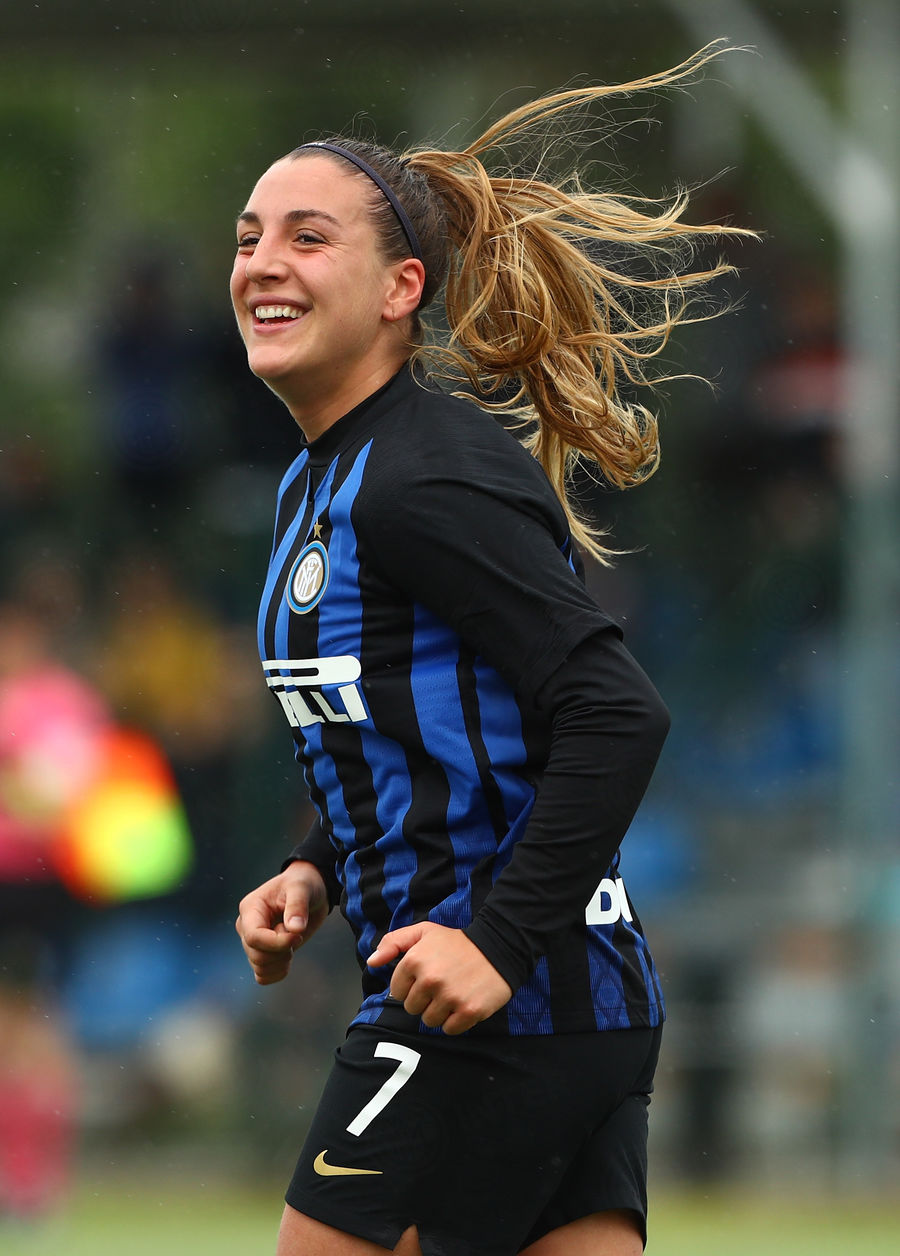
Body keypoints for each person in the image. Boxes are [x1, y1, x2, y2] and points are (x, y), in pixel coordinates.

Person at [234, 42, 750, 1256]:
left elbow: (615, 710)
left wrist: (496, 942)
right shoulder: (325, 478)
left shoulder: (421, 474)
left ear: (402, 287)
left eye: (308, 237)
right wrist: (317, 863)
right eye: (249, 237)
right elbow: (432, 720)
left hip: (488, 1006)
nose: (261, 262)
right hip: (558, 1002)